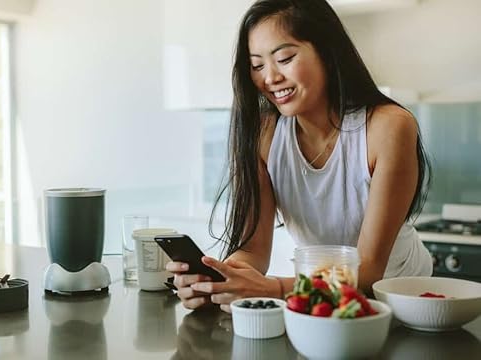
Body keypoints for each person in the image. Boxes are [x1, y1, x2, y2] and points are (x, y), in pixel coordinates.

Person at [166, 0, 432, 313]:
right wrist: (221, 280)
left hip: (401, 298)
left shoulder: (387, 127)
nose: (270, 77)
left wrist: (275, 288)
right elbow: (252, 249)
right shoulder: (264, 133)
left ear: (327, 53)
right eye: (257, 65)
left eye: (284, 58)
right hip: (319, 299)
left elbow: (369, 269)